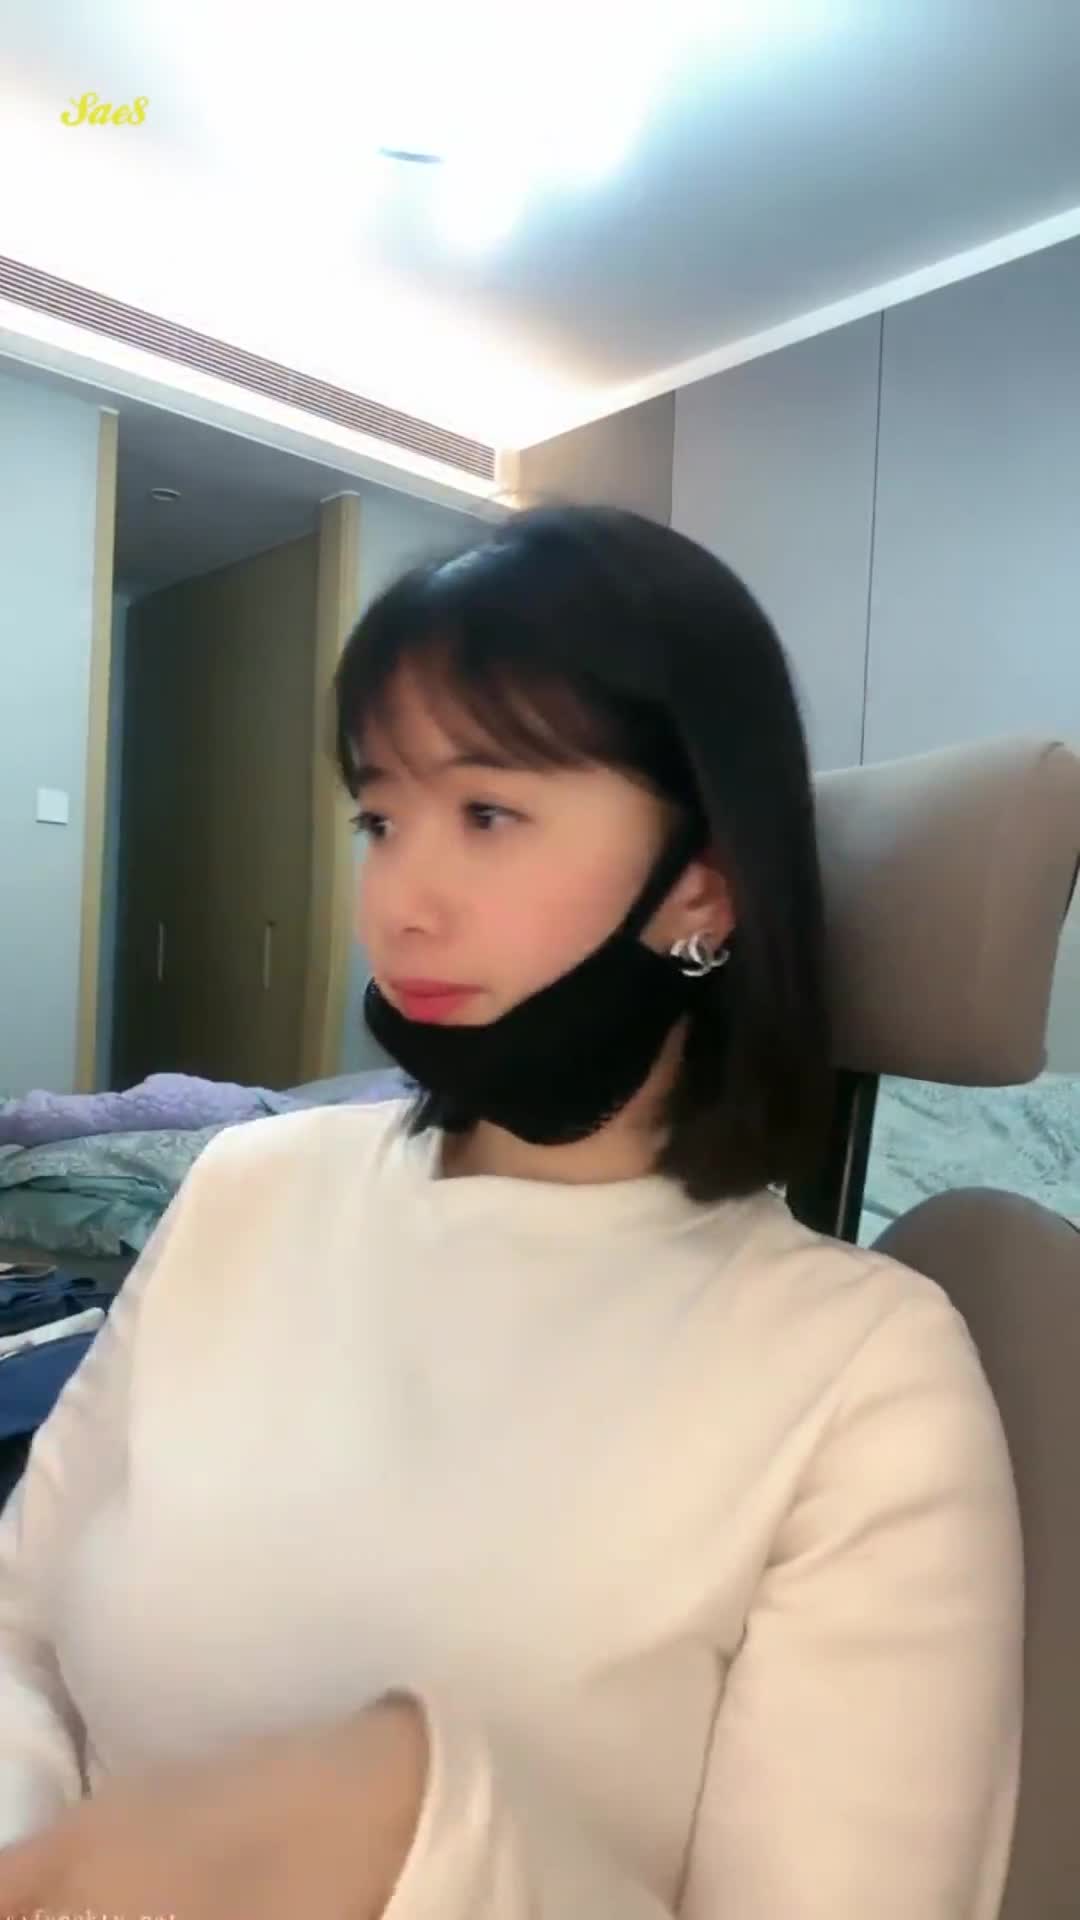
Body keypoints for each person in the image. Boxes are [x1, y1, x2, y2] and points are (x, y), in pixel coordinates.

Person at [0, 507, 1022, 1918]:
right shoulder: (247, 1188)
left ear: (703, 884)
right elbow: (20, 1638)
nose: (396, 905)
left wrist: (406, 1839)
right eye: (380, 820)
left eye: (486, 815)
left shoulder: (867, 1375)